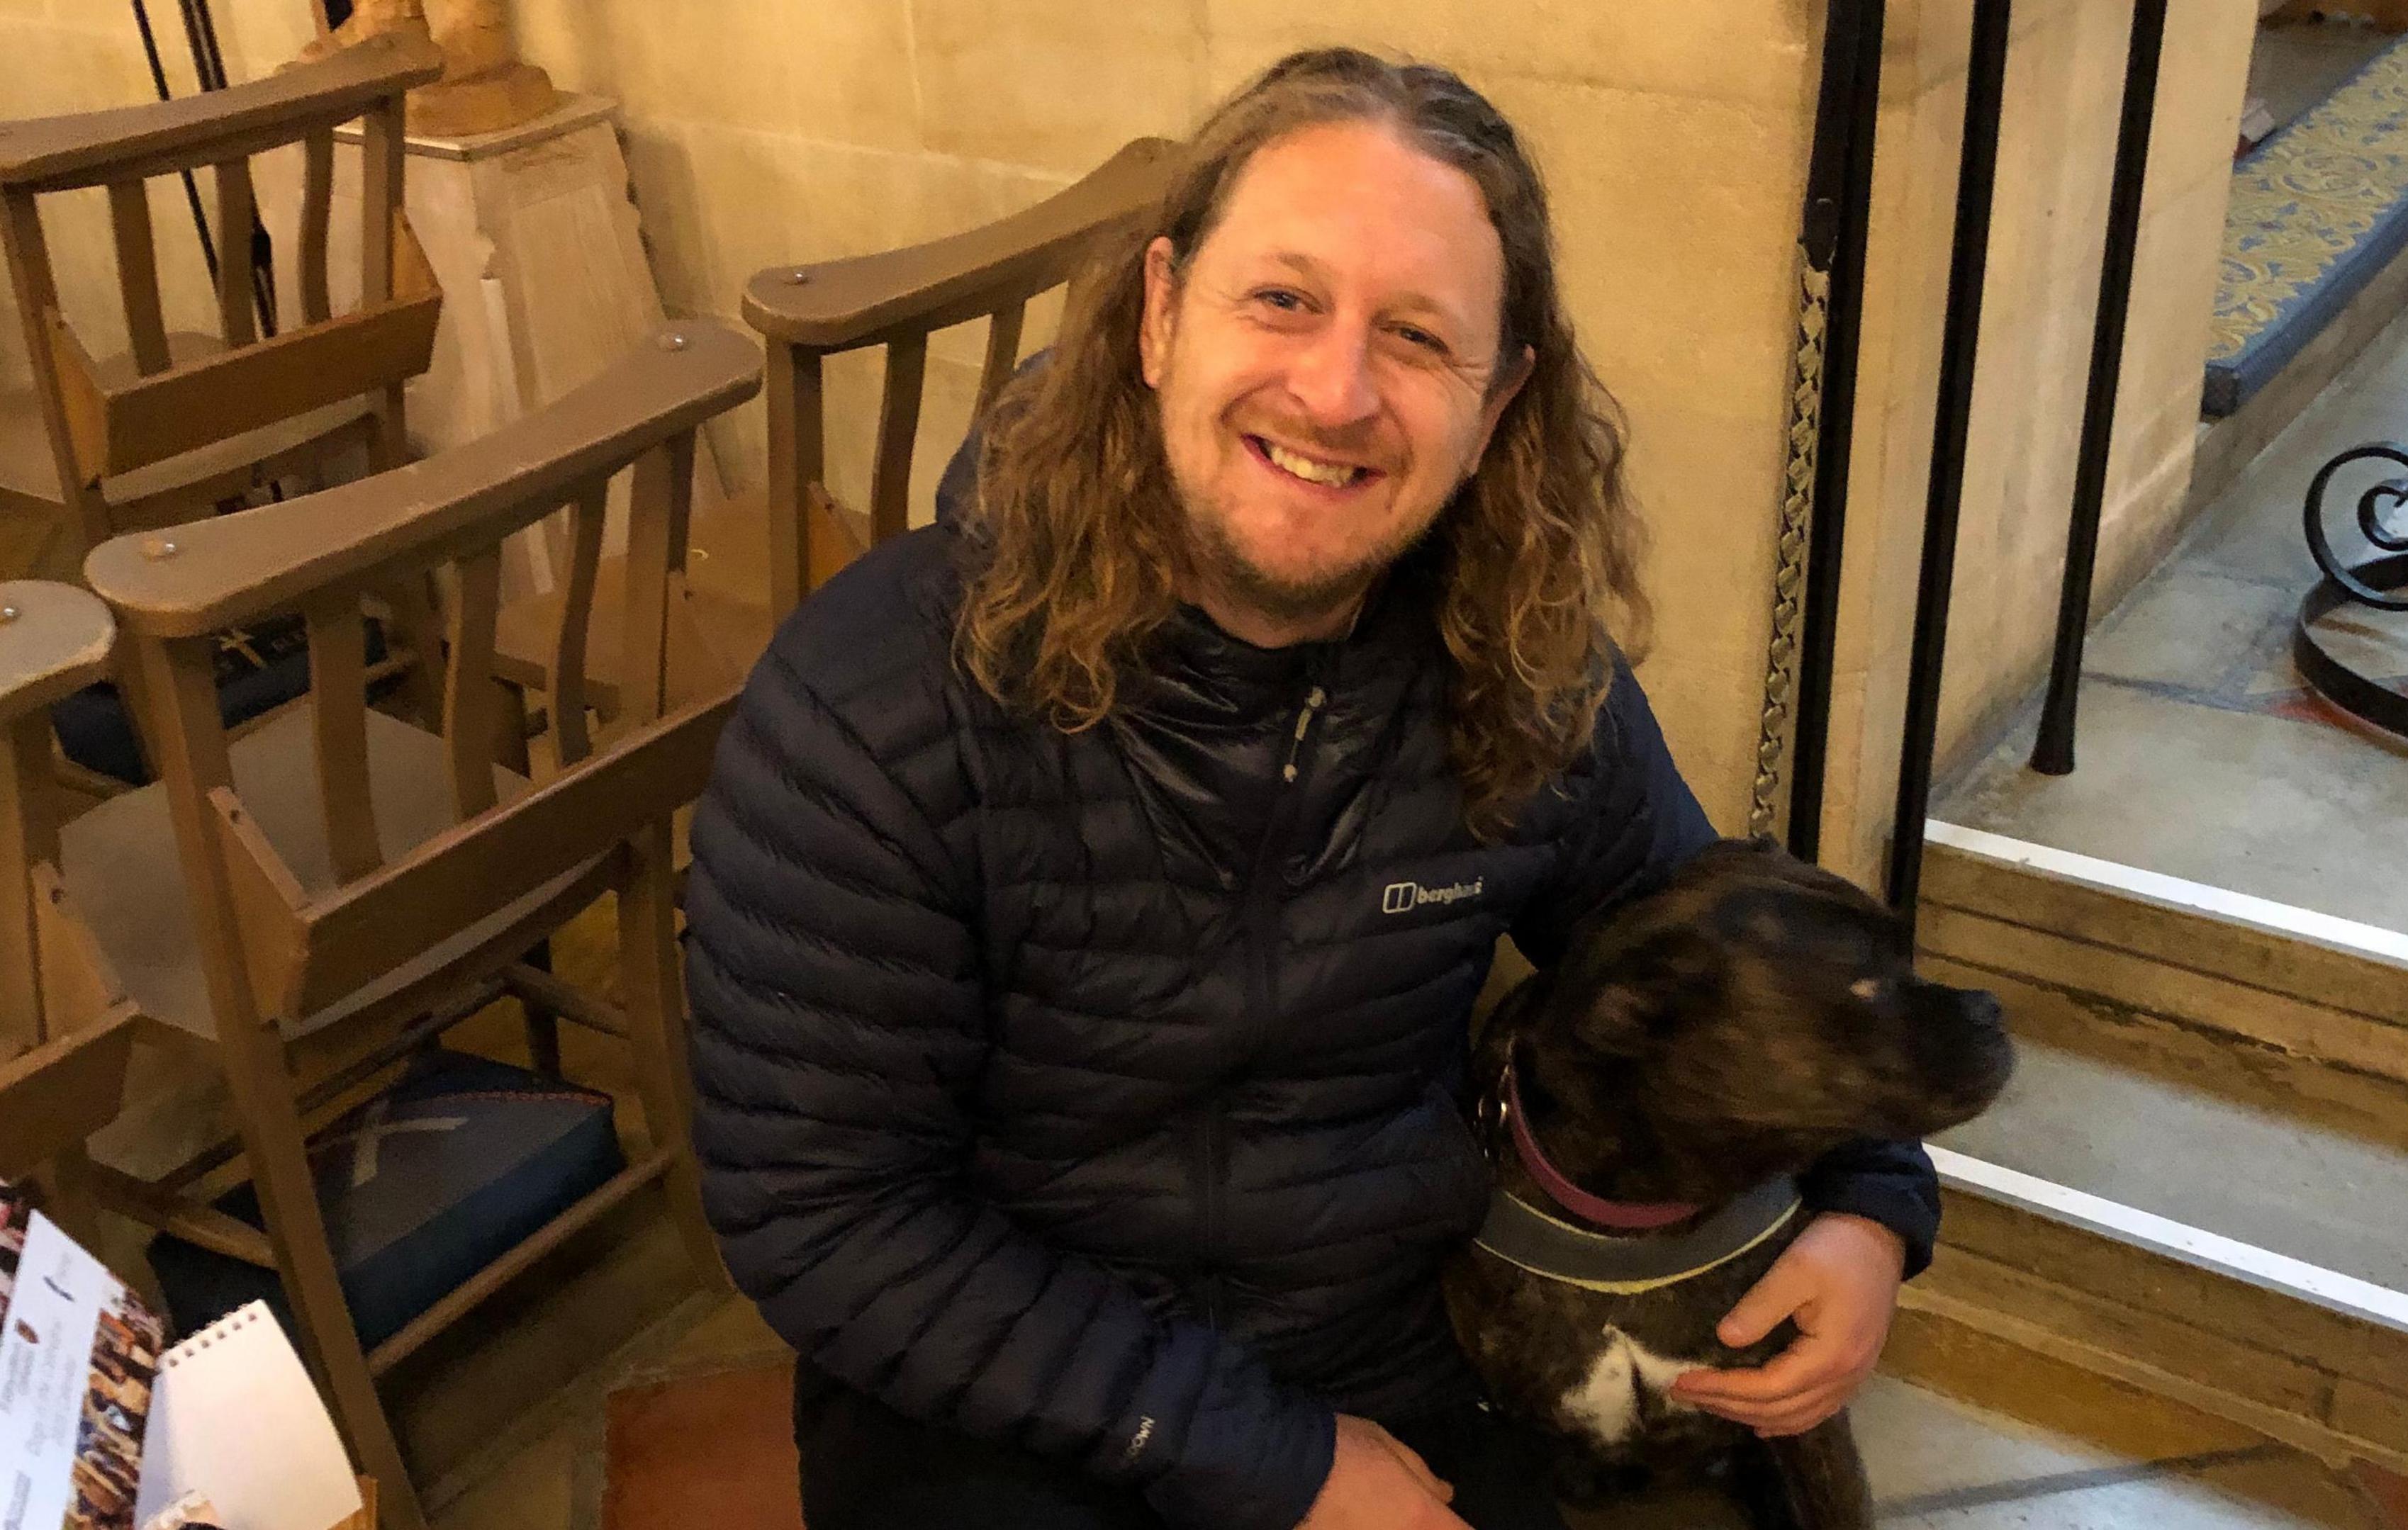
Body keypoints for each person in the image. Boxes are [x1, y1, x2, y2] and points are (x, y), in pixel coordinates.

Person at [683, 47, 1939, 1530]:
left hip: (1387, 1341)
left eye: (1417, 338)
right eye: (1282, 300)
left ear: (1499, 403)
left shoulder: (1525, 672)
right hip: (1001, 1387)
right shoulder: (873, 701)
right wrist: (1267, 1462)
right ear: (1158, 315)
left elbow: (1720, 953)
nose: (1336, 390)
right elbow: (828, 1221)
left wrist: (1872, 1202)